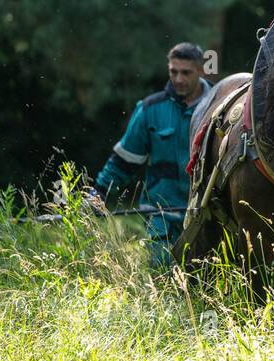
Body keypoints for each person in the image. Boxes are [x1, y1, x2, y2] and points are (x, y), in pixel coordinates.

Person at [90, 43, 212, 265]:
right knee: (163, 281)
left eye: (186, 73)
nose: (178, 79)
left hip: (206, 217)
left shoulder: (219, 107)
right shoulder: (149, 109)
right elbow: (123, 162)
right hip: (160, 219)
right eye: (173, 72)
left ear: (201, 70)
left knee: (205, 285)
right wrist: (96, 195)